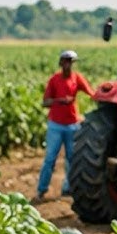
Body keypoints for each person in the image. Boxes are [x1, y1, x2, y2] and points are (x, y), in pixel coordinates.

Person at [34, 50, 94, 203]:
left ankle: (68, 188)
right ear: (61, 63)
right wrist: (59, 100)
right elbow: (45, 102)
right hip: (56, 125)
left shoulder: (77, 78)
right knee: (50, 159)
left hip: (73, 124)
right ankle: (41, 189)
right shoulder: (54, 80)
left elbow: (90, 92)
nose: (68, 64)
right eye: (66, 61)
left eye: (71, 62)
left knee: (72, 159)